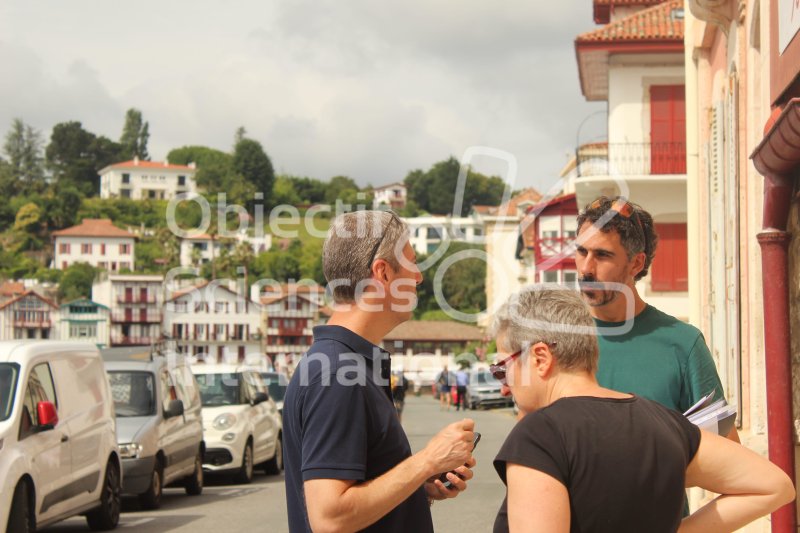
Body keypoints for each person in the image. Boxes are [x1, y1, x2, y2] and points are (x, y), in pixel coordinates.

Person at [490, 285, 794, 533]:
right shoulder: (664, 422)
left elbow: (774, 487)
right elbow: (773, 486)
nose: (503, 385)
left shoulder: (540, 435)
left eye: (502, 368)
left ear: (541, 358)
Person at [283, 210, 477, 533]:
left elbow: (356, 495)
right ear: (383, 273)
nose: (418, 277)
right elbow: (330, 518)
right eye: (412, 263)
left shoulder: (341, 364)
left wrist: (418, 486)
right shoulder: (336, 374)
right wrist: (426, 461)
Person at [575, 196, 739, 441]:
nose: (586, 268)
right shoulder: (555, 340)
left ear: (636, 263)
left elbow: (727, 454)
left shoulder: (684, 344)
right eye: (581, 251)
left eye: (602, 255)